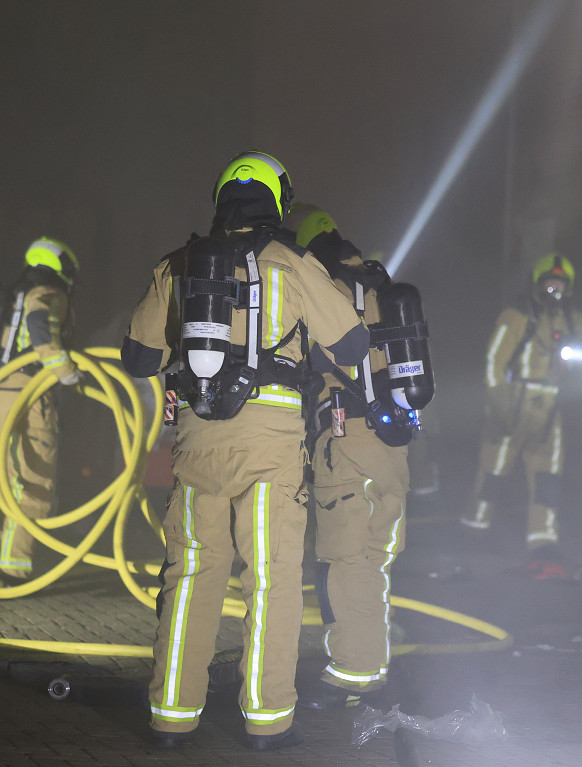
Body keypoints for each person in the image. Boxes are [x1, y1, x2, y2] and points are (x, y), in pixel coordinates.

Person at [120, 152, 368, 751]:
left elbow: (138, 359)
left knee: (191, 577)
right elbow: (353, 344)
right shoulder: (291, 263)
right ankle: (266, 720)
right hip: (271, 446)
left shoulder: (178, 265)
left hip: (199, 443)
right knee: (272, 581)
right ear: (278, 200)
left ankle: (172, 718)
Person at [281, 203, 423, 709]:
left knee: (346, 560)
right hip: (393, 443)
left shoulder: (323, 290)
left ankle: (354, 673)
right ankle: (372, 666)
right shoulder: (382, 288)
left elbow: (303, 358)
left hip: (348, 440)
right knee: (374, 560)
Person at [459, 252, 582, 578]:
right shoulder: (516, 317)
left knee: (547, 478)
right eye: (549, 283)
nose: (554, 290)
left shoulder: (569, 321)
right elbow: (493, 363)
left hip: (550, 409)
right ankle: (474, 531)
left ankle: (543, 540)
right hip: (513, 404)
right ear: (537, 284)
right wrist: (500, 407)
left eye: (560, 284)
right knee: (493, 473)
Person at [0, 237, 80, 586]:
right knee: (34, 483)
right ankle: (14, 571)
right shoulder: (48, 293)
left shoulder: (15, 296)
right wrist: (66, 371)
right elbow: (43, 329)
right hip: (27, 398)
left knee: (4, 478)